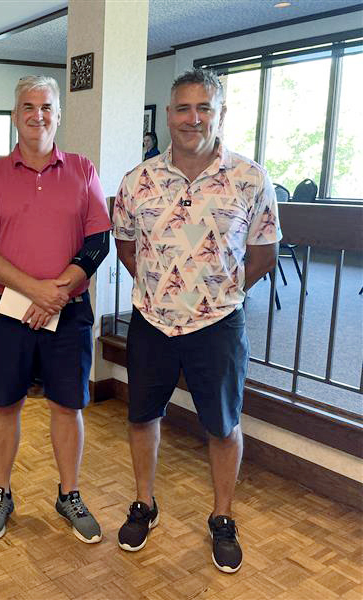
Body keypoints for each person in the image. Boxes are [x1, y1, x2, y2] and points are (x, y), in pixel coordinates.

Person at [113, 69, 280, 574]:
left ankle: (222, 517)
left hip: (219, 326)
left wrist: (218, 295)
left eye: (204, 108)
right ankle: (144, 503)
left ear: (221, 113)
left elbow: (264, 254)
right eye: (183, 108)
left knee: (223, 425)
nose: (193, 118)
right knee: (143, 416)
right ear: (168, 114)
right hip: (151, 323)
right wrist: (162, 292)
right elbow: (126, 245)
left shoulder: (250, 178)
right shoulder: (137, 181)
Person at [0, 76, 112, 544]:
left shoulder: (83, 169)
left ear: (58, 114)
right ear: (15, 115)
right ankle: (1, 492)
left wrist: (59, 292)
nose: (38, 115)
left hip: (67, 313)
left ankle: (69, 493)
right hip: (5, 308)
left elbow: (98, 241)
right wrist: (36, 292)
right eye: (28, 107)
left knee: (67, 405)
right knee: (5, 403)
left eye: (46, 107)